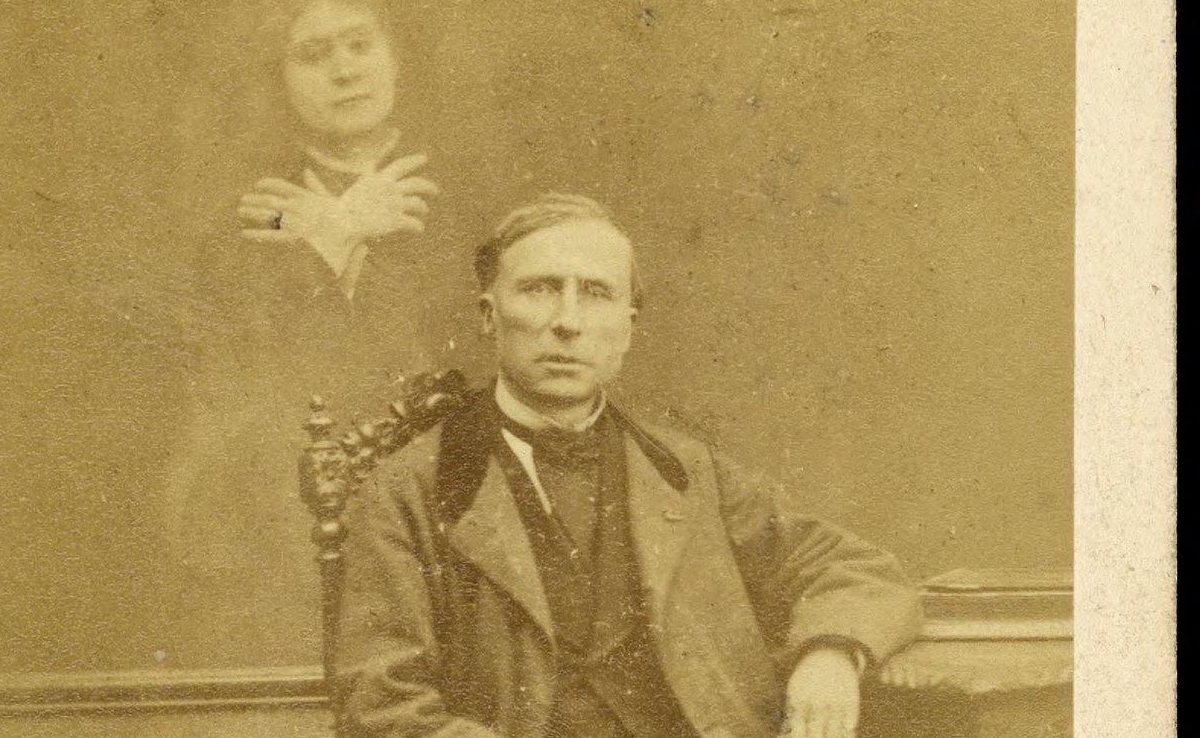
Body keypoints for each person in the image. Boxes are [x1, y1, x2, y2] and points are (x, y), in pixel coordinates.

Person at [332, 194, 923, 737]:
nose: (568, 320)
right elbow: (383, 706)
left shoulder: (689, 472)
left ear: (629, 330)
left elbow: (859, 570)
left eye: (596, 293)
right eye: (539, 289)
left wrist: (830, 653)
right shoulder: (406, 492)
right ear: (489, 316)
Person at [158, 0, 479, 667]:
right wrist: (336, 233)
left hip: (443, 513)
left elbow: (460, 368)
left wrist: (336, 226)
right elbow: (245, 392)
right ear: (279, 78)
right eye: (313, 54)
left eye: (361, 44)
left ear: (394, 53)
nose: (345, 70)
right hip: (284, 534)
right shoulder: (251, 216)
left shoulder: (464, 195)